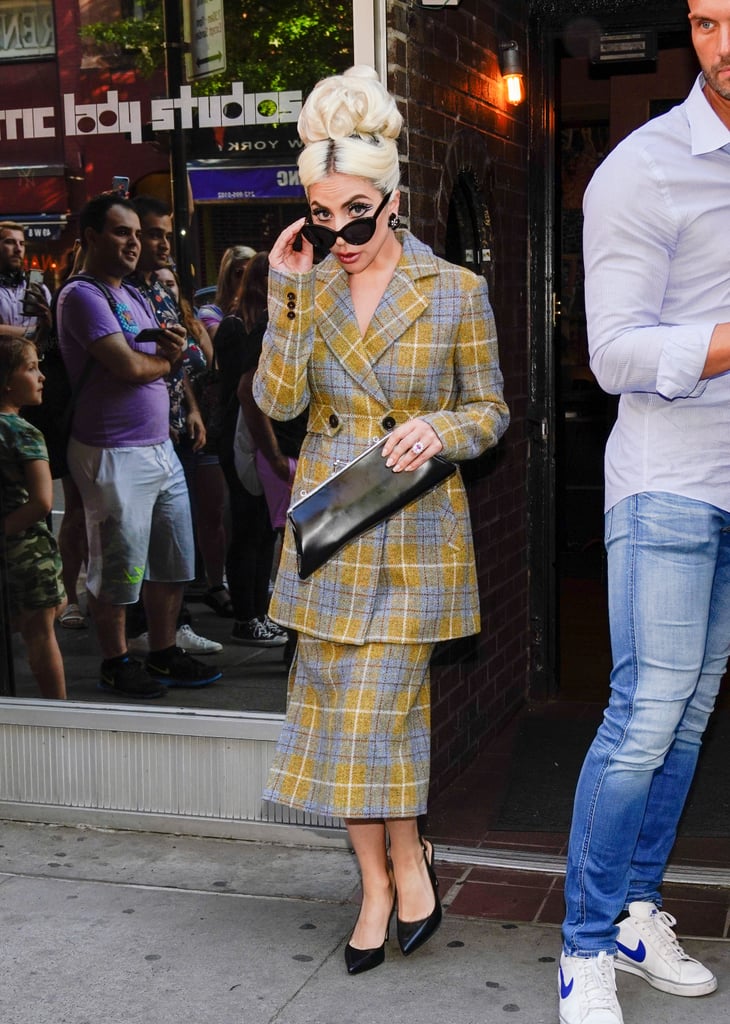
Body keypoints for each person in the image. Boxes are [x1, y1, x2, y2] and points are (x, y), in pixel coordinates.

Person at [252, 66, 509, 975]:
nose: (341, 235)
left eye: (356, 213)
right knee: (339, 717)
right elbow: (279, 403)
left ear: (393, 201)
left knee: (378, 717)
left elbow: (491, 412)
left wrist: (441, 427)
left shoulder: (455, 292)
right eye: (322, 218)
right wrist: (286, 294)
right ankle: (387, 872)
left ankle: (399, 864)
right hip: (330, 533)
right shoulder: (311, 290)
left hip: (413, 535)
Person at [558, 4, 730, 1022]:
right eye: (708, 20)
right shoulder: (644, 168)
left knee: (692, 714)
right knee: (644, 718)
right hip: (671, 477)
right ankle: (582, 946)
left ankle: (632, 907)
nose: (723, 44)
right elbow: (613, 352)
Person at [57, 192, 222, 699]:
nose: (134, 243)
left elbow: (183, 353)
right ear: (90, 237)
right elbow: (127, 367)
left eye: (136, 233)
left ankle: (165, 650)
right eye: (121, 232)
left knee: (172, 560)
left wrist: (174, 362)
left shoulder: (131, 292)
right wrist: (170, 362)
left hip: (159, 448)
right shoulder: (83, 295)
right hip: (111, 451)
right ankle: (116, 660)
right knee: (120, 565)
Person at [124, 197, 226, 651]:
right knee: (134, 544)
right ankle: (138, 631)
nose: (164, 243)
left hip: (176, 427)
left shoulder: (161, 291)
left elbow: (181, 363)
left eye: (168, 234)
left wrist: (194, 410)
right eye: (154, 234)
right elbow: (135, 364)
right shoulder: (116, 291)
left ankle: (172, 628)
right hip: (135, 433)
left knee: (172, 542)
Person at [214, 253, 290, 648]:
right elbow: (242, 391)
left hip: (258, 434)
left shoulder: (269, 324)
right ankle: (247, 617)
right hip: (242, 436)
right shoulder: (238, 327)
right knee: (248, 529)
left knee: (264, 531)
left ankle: (259, 612)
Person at [0, 336, 66, 699]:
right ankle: (59, 716)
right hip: (28, 555)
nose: (42, 376)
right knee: (40, 637)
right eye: (31, 368)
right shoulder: (23, 433)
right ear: (7, 381)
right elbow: (42, 501)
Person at [197, 245, 255, 342]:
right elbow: (224, 348)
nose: (246, 279)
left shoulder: (265, 310)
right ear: (227, 278)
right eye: (240, 273)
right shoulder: (210, 313)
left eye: (251, 273)